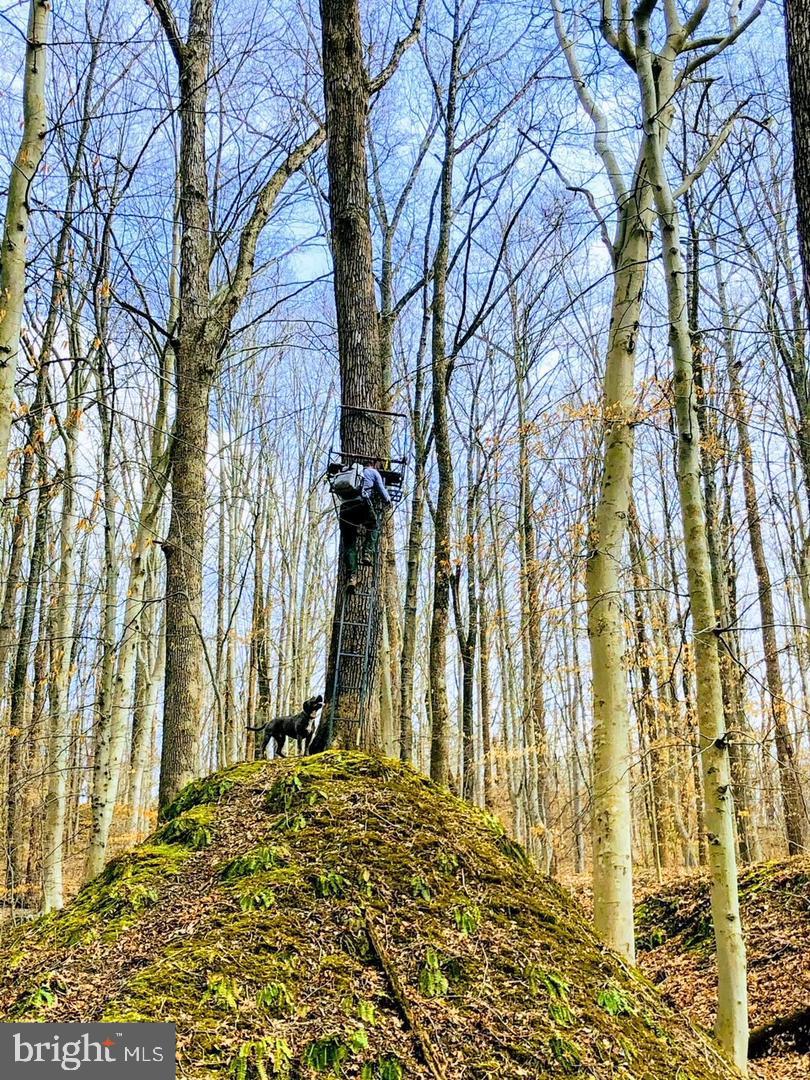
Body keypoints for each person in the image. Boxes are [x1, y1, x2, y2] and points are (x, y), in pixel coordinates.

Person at [340, 457, 392, 589]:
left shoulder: (348, 471)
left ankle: (352, 577)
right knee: (373, 526)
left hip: (345, 508)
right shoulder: (373, 472)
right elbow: (382, 490)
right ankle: (367, 553)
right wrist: (388, 501)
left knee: (349, 543)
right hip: (361, 505)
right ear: (373, 464)